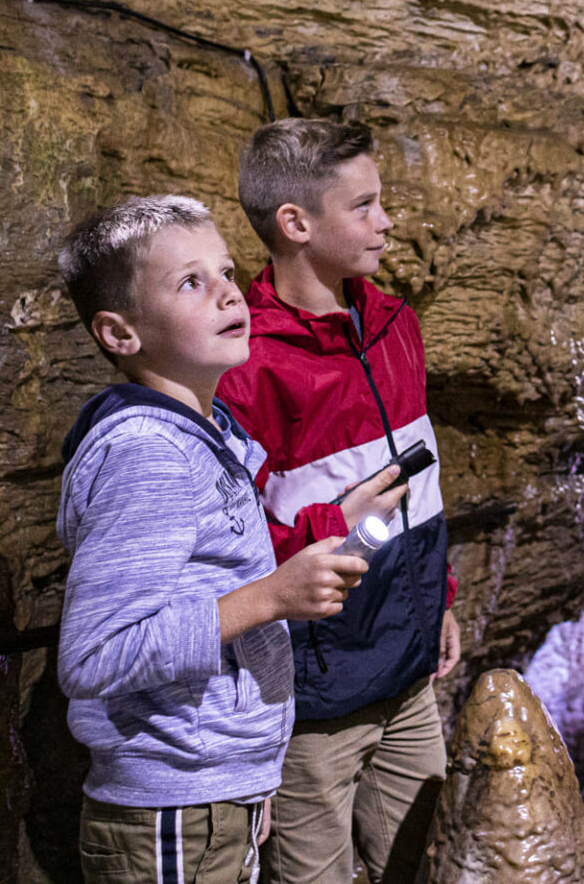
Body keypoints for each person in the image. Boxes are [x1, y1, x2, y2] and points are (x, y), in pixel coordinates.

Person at [54, 194, 369, 884]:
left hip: (210, 792)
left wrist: (249, 773)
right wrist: (270, 598)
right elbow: (94, 655)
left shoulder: (207, 435)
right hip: (173, 805)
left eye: (226, 271)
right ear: (120, 333)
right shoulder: (149, 454)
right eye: (190, 282)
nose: (229, 292)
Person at [219, 120, 462, 884]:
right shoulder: (246, 366)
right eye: (363, 206)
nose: (386, 222)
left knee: (425, 866)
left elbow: (415, 494)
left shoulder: (396, 327)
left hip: (407, 675)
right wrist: (339, 524)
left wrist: (439, 596)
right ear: (295, 223)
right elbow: (228, 550)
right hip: (315, 702)